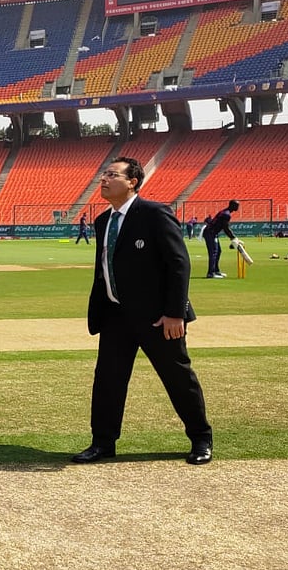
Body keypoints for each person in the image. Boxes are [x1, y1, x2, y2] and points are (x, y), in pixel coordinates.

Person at [73, 156, 213, 466]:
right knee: (107, 381)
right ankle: (103, 442)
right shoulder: (102, 221)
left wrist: (175, 312)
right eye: (103, 174)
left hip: (158, 318)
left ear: (133, 181)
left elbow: (179, 263)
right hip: (115, 316)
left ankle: (201, 437)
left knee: (177, 377)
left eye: (112, 174)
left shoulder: (154, 214)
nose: (104, 179)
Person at [202, 200, 240, 278]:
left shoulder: (226, 212)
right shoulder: (226, 214)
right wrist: (233, 237)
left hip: (212, 233)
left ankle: (216, 271)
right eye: (237, 205)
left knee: (218, 251)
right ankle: (210, 273)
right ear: (232, 205)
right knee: (213, 252)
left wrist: (232, 237)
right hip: (210, 233)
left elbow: (226, 228)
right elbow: (226, 228)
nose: (238, 207)